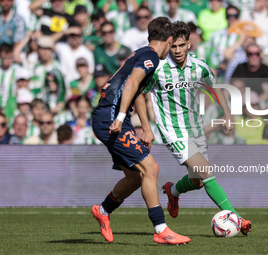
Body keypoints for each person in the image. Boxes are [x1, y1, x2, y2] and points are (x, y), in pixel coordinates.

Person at [144, 21, 252, 235]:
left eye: (181, 45)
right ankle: (236, 218)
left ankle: (172, 190)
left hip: (195, 129)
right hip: (172, 130)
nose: (177, 51)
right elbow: (141, 92)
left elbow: (216, 88)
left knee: (198, 181)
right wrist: (147, 127)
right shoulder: (159, 68)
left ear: (189, 44)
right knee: (207, 173)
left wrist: (228, 115)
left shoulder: (199, 66)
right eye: (173, 46)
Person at [91, 17, 190, 245]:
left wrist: (146, 129)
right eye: (172, 44)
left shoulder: (142, 53)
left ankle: (103, 210)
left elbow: (139, 93)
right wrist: (121, 117)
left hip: (111, 118)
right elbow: (131, 84)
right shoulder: (151, 57)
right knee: (151, 168)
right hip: (110, 118)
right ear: (169, 40)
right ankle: (161, 229)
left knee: (135, 177)